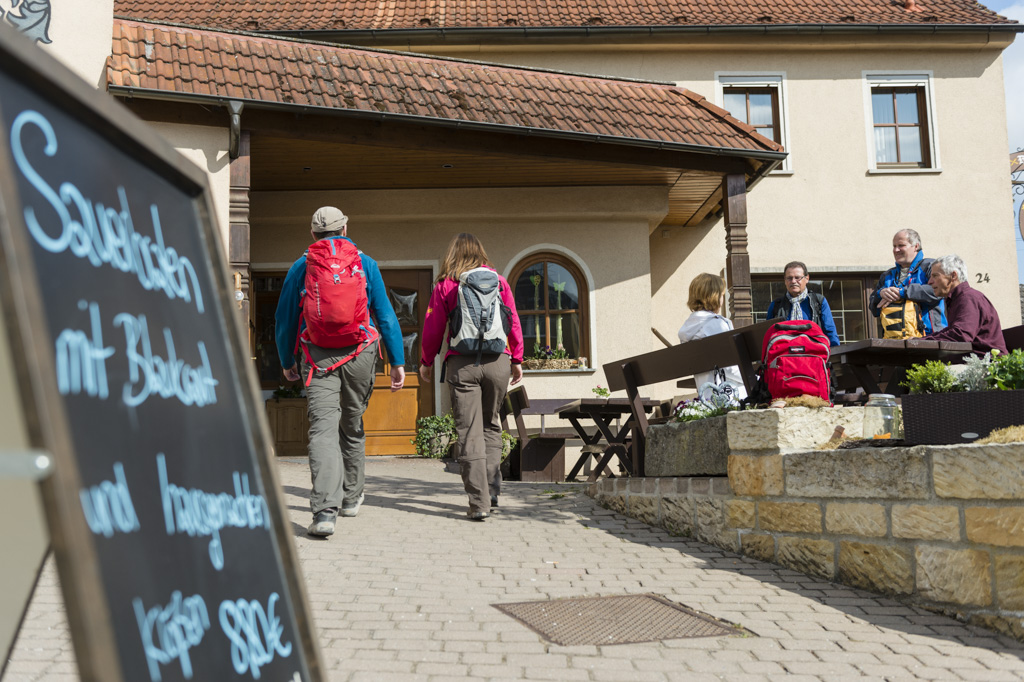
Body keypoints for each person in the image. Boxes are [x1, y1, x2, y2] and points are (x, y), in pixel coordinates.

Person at [276, 207, 406, 537]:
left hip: (317, 356)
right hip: (361, 353)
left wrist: (286, 360)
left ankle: (324, 512)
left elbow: (285, 318)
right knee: (352, 421)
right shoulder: (366, 264)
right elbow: (386, 314)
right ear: (346, 227)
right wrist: (398, 361)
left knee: (322, 429)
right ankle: (351, 498)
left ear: (313, 234)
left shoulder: (301, 266)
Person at [419, 234, 524, 521]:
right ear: (481, 253)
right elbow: (513, 320)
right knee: (491, 425)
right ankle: (491, 491)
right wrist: (517, 358)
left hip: (462, 365)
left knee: (469, 432)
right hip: (498, 361)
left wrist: (427, 361)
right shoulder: (499, 282)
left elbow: (433, 328)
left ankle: (479, 502)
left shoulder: (446, 285)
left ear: (452, 254)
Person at [677, 273, 748, 401]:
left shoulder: (689, 327)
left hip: (706, 395)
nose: (723, 299)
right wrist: (752, 377)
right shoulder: (716, 324)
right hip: (730, 395)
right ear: (714, 296)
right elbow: (728, 367)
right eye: (722, 295)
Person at [869, 229, 947, 338]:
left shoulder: (931, 266)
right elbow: (874, 310)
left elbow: (939, 291)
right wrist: (880, 294)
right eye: (894, 246)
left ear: (916, 246)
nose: (896, 250)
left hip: (931, 340)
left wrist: (902, 292)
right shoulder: (887, 275)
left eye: (901, 245)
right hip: (894, 343)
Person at [925, 254, 1007, 355]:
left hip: (985, 364)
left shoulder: (968, 298)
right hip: (971, 361)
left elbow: (961, 336)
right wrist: (921, 340)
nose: (929, 282)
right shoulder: (957, 299)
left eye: (935, 276)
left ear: (953, 276)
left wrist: (921, 342)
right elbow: (954, 332)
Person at [765, 261, 841, 347]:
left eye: (797, 277)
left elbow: (830, 331)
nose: (793, 281)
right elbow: (768, 336)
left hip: (813, 355)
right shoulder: (776, 305)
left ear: (807, 278)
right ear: (785, 280)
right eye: (789, 278)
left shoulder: (818, 301)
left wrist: (835, 354)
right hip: (785, 357)